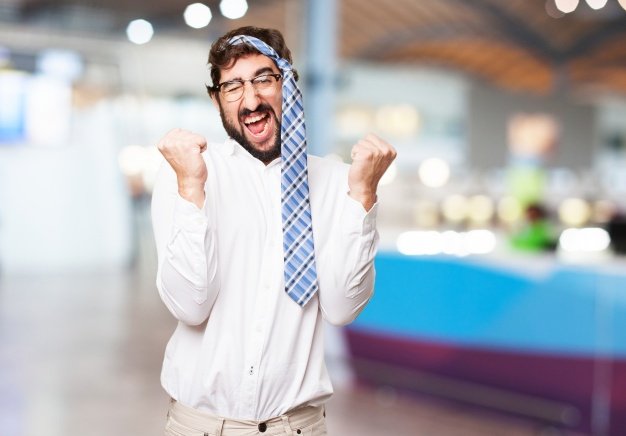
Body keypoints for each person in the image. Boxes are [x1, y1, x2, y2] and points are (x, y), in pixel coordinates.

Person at [151, 26, 396, 436]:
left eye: (265, 79)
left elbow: (342, 308)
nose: (251, 100)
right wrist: (191, 188)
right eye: (232, 86)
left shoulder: (340, 182)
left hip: (296, 428)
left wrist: (364, 193)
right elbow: (190, 305)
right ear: (217, 99)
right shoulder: (187, 174)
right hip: (199, 427)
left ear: (290, 85)